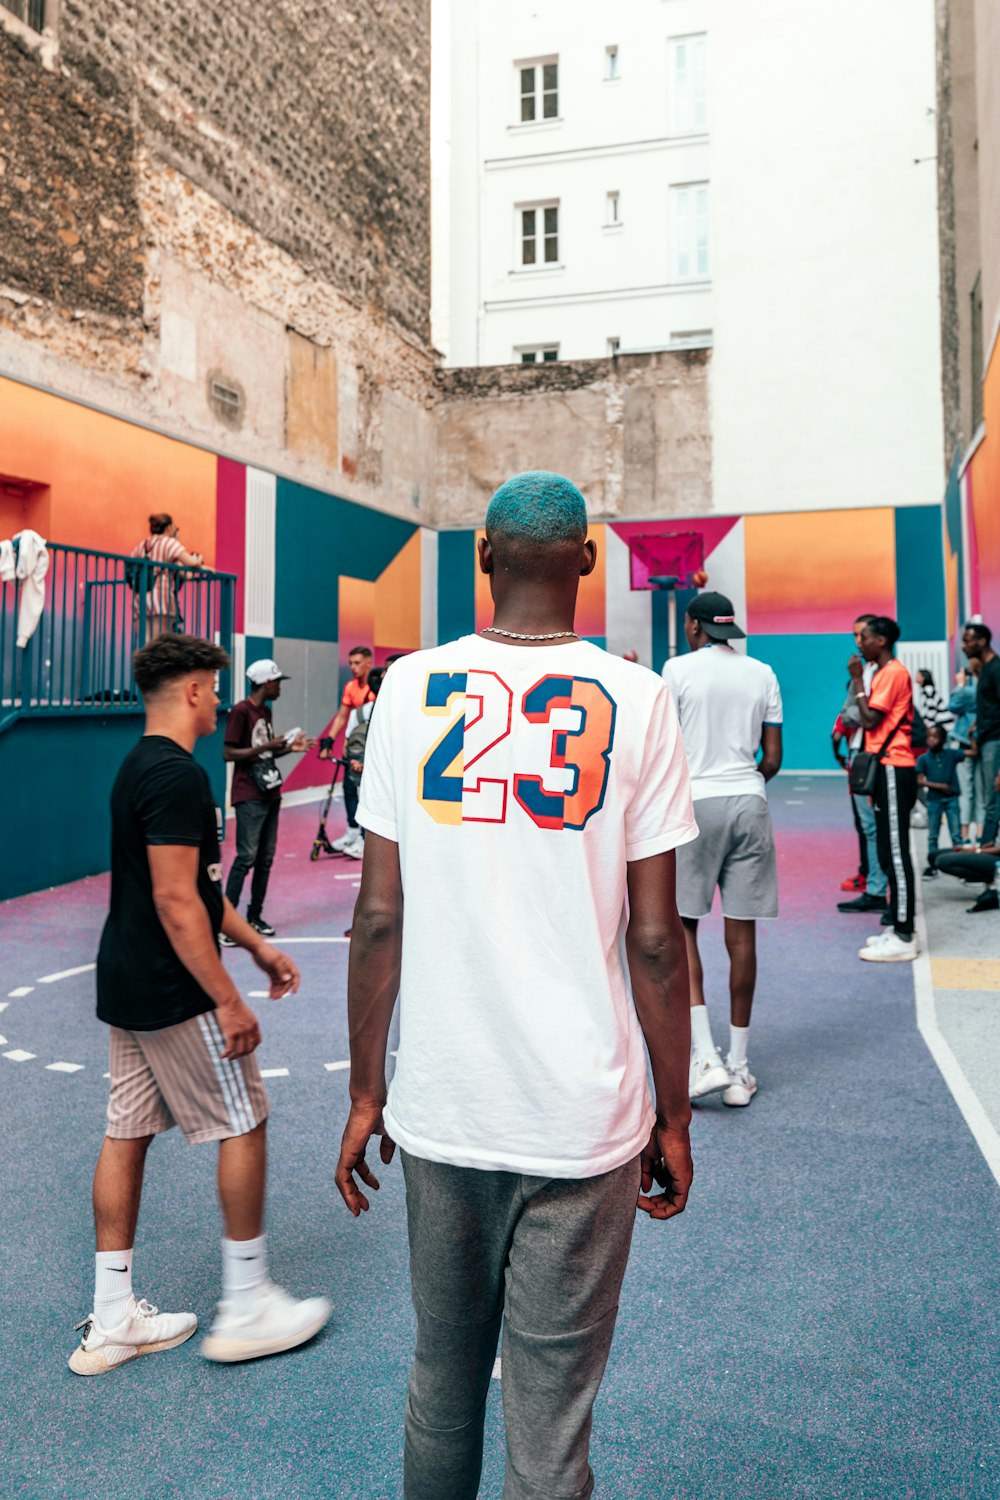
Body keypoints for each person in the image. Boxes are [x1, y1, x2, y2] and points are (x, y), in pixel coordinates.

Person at [335, 470, 697, 1499]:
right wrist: (672, 1114)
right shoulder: (638, 697)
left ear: (483, 557)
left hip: (447, 1106)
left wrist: (368, 1092)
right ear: (586, 560)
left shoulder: (407, 689)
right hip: (585, 1117)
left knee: (441, 1386)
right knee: (551, 1422)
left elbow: (377, 916)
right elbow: (660, 940)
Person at [70, 633, 330, 1376]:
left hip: (125, 981)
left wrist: (254, 944)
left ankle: (114, 1317)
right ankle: (247, 1304)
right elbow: (176, 900)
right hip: (172, 990)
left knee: (126, 1133)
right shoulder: (179, 775)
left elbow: (202, 889)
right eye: (212, 689)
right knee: (245, 1120)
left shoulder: (136, 768)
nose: (219, 701)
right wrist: (230, 1001)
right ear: (189, 692)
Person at [662, 592, 782, 1107]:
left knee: (683, 924)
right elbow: (772, 757)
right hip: (749, 802)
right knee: (742, 932)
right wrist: (746, 785)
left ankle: (705, 1058)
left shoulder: (676, 669)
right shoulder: (763, 673)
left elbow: (663, 748)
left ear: (694, 626)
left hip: (696, 803)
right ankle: (740, 1066)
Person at [222, 659, 312, 942]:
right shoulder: (240, 711)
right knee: (246, 857)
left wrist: (289, 749)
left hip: (270, 792)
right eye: (277, 682)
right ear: (265, 683)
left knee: (265, 859)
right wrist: (268, 746)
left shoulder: (265, 711)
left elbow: (264, 755)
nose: (279, 687)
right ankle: (226, 923)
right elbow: (229, 753)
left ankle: (254, 917)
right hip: (249, 794)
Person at [849, 617, 918, 962]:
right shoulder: (883, 672)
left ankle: (905, 935)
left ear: (882, 640)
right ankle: (896, 924)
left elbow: (870, 719)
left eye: (865, 637)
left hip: (894, 766)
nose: (859, 642)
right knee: (889, 852)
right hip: (886, 768)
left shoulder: (892, 673)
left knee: (897, 850)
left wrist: (858, 680)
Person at [837, 614, 890, 916]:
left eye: (862, 636)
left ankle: (877, 888)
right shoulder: (867, 673)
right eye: (855, 636)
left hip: (874, 755)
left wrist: (859, 698)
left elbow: (863, 717)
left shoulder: (879, 674)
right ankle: (875, 885)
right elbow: (848, 715)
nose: (858, 642)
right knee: (869, 827)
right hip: (861, 754)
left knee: (878, 828)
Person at [326, 646, 375, 856]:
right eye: (351, 663)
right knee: (348, 788)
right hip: (353, 749)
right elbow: (341, 716)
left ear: (368, 663)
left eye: (357, 663)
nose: (353, 667)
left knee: (367, 792)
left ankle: (366, 839)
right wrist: (329, 740)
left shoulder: (375, 690)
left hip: (370, 750)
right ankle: (352, 831)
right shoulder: (350, 687)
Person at [131, 513, 210, 641]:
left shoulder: (142, 545)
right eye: (174, 526)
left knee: (144, 645)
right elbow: (191, 562)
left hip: (140, 598)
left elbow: (131, 564)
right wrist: (199, 559)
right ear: (168, 528)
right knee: (158, 644)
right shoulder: (169, 543)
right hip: (161, 598)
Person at [337, 666, 385, 863]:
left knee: (372, 798)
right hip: (360, 762)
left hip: (375, 767)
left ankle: (364, 840)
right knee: (355, 792)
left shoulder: (390, 711)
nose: (353, 667)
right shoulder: (360, 710)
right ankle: (356, 834)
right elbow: (349, 737)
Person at [962, 622, 1000, 848]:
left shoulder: (996, 669)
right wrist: (977, 724)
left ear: (982, 641)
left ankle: (987, 848)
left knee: (993, 797)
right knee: (990, 796)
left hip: (995, 741)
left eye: (967, 640)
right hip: (987, 739)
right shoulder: (985, 669)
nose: (964, 646)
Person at [917, 724, 967, 875]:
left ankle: (961, 866)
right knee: (933, 835)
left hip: (952, 799)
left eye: (935, 736)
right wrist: (940, 786)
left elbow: (974, 752)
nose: (931, 740)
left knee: (956, 835)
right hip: (934, 800)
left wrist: (969, 735)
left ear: (943, 739)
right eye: (929, 736)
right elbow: (919, 780)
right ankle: (933, 866)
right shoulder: (923, 758)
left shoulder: (951, 754)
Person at [949, 664, 983, 841]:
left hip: (965, 743)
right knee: (981, 791)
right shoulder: (987, 691)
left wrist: (960, 684)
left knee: (965, 790)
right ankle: (980, 832)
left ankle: (964, 834)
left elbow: (953, 705)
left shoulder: (969, 692)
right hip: (983, 743)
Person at [935, 841, 1000, 914]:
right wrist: (975, 848)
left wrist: (976, 851)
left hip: (997, 858)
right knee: (933, 856)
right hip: (990, 851)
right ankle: (992, 880)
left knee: (943, 861)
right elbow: (995, 841)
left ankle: (993, 880)